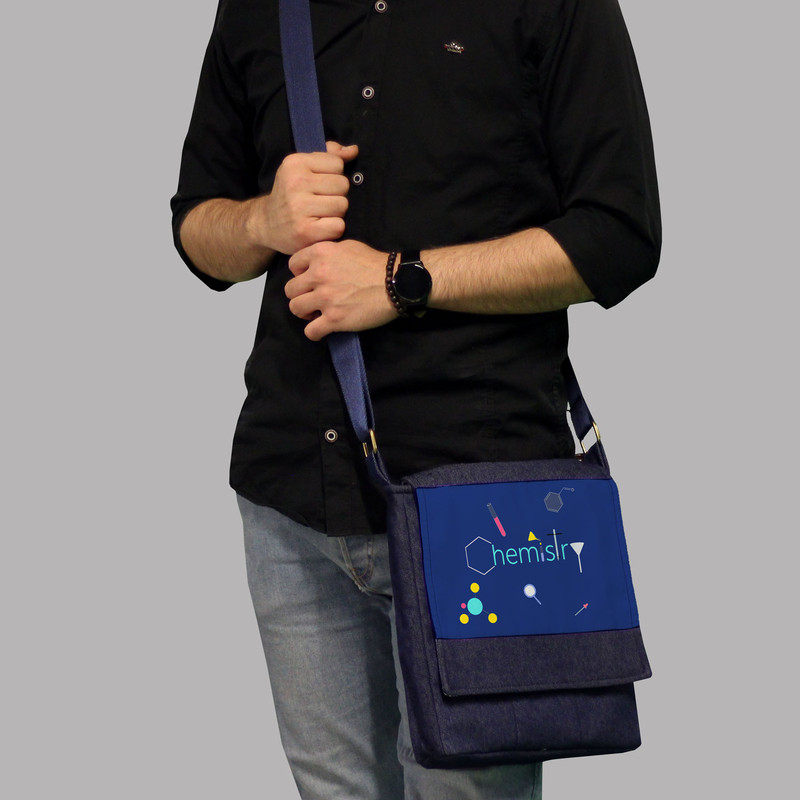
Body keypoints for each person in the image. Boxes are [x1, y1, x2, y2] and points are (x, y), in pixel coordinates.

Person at [171, 0, 660, 797]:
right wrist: (263, 219)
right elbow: (196, 228)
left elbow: (620, 234)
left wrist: (402, 280)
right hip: (290, 499)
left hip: (479, 507)